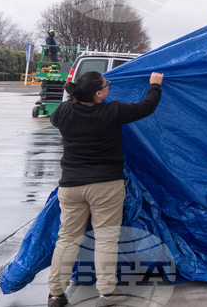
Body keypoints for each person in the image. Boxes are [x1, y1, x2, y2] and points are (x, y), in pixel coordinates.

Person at [47, 71, 163, 307]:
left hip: (71, 186)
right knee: (106, 239)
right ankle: (106, 293)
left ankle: (56, 295)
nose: (109, 86)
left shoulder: (63, 113)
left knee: (67, 239)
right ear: (99, 93)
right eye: (106, 84)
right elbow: (147, 107)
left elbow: (63, 113)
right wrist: (155, 86)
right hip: (105, 186)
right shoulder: (113, 112)